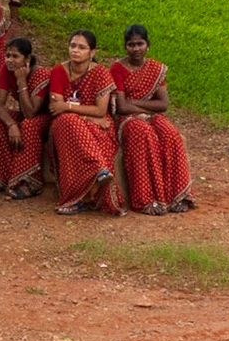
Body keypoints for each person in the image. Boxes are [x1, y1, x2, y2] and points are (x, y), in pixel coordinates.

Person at [110, 25, 194, 215]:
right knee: (144, 134)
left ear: (148, 45)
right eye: (131, 44)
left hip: (151, 115)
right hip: (127, 120)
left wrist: (136, 104)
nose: (136, 48)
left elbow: (163, 104)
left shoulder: (155, 68)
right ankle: (147, 199)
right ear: (125, 47)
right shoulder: (117, 68)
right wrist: (144, 107)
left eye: (140, 44)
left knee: (171, 134)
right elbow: (122, 107)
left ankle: (178, 196)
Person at [47, 30, 125, 216]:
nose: (75, 50)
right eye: (73, 46)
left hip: (98, 124)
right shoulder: (59, 71)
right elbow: (55, 107)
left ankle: (90, 194)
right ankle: (97, 170)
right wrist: (82, 115)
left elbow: (100, 111)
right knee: (67, 122)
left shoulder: (100, 73)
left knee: (71, 120)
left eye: (82, 47)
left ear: (92, 52)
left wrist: (68, 107)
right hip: (66, 124)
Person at [0, 37, 52, 199]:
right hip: (26, 115)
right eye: (8, 55)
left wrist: (21, 81)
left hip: (46, 118)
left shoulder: (41, 74)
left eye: (15, 56)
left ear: (27, 59)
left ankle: (31, 182)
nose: (10, 60)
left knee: (29, 124)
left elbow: (31, 113)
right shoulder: (6, 69)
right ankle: (0, 176)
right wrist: (11, 124)